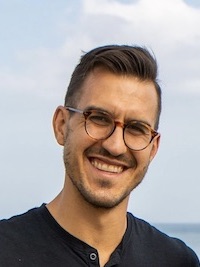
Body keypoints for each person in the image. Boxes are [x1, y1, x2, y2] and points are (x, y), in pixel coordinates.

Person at [0, 45, 199, 267]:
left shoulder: (177, 261)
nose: (115, 146)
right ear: (61, 125)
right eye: (99, 118)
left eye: (136, 128)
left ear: (153, 148)